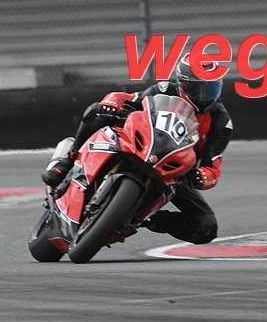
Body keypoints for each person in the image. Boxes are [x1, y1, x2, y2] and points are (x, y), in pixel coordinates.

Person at [41, 54, 233, 244]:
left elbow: (213, 166)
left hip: (175, 171)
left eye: (212, 88)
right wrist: (111, 103)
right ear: (183, 84)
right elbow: (127, 98)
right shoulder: (164, 89)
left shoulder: (221, 121)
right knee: (96, 111)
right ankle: (68, 159)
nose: (205, 96)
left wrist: (203, 176)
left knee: (206, 226)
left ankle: (147, 219)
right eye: (199, 89)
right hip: (140, 142)